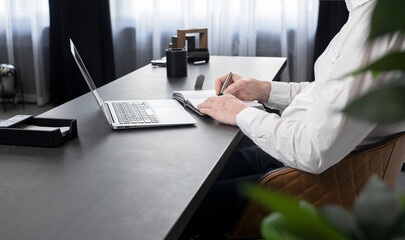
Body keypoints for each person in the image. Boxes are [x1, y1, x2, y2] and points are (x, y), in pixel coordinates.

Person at [180, 0, 405, 239]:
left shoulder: (376, 29)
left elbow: (314, 150)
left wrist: (239, 113)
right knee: (189, 176)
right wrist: (264, 90)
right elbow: (326, 92)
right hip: (287, 156)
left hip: (307, 179)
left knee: (183, 205)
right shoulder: (364, 14)